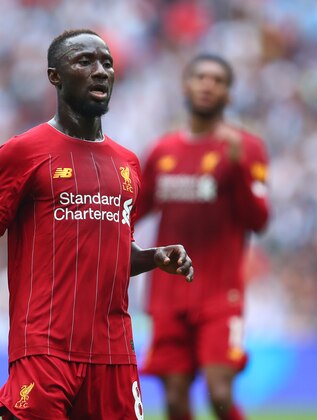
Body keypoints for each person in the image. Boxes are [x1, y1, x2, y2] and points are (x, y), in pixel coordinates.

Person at [0, 29, 194, 420]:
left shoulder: (128, 164)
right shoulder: (24, 152)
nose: (100, 71)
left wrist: (155, 257)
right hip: (45, 349)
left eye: (107, 63)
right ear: (55, 76)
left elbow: (113, 253)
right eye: (84, 61)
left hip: (114, 354)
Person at [136, 54, 270, 420]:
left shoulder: (246, 148)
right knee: (176, 400)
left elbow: (258, 220)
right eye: (200, 77)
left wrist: (239, 167)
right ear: (186, 85)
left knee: (219, 392)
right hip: (168, 292)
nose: (208, 85)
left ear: (229, 94)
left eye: (218, 80)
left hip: (220, 293)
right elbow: (133, 210)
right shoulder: (162, 151)